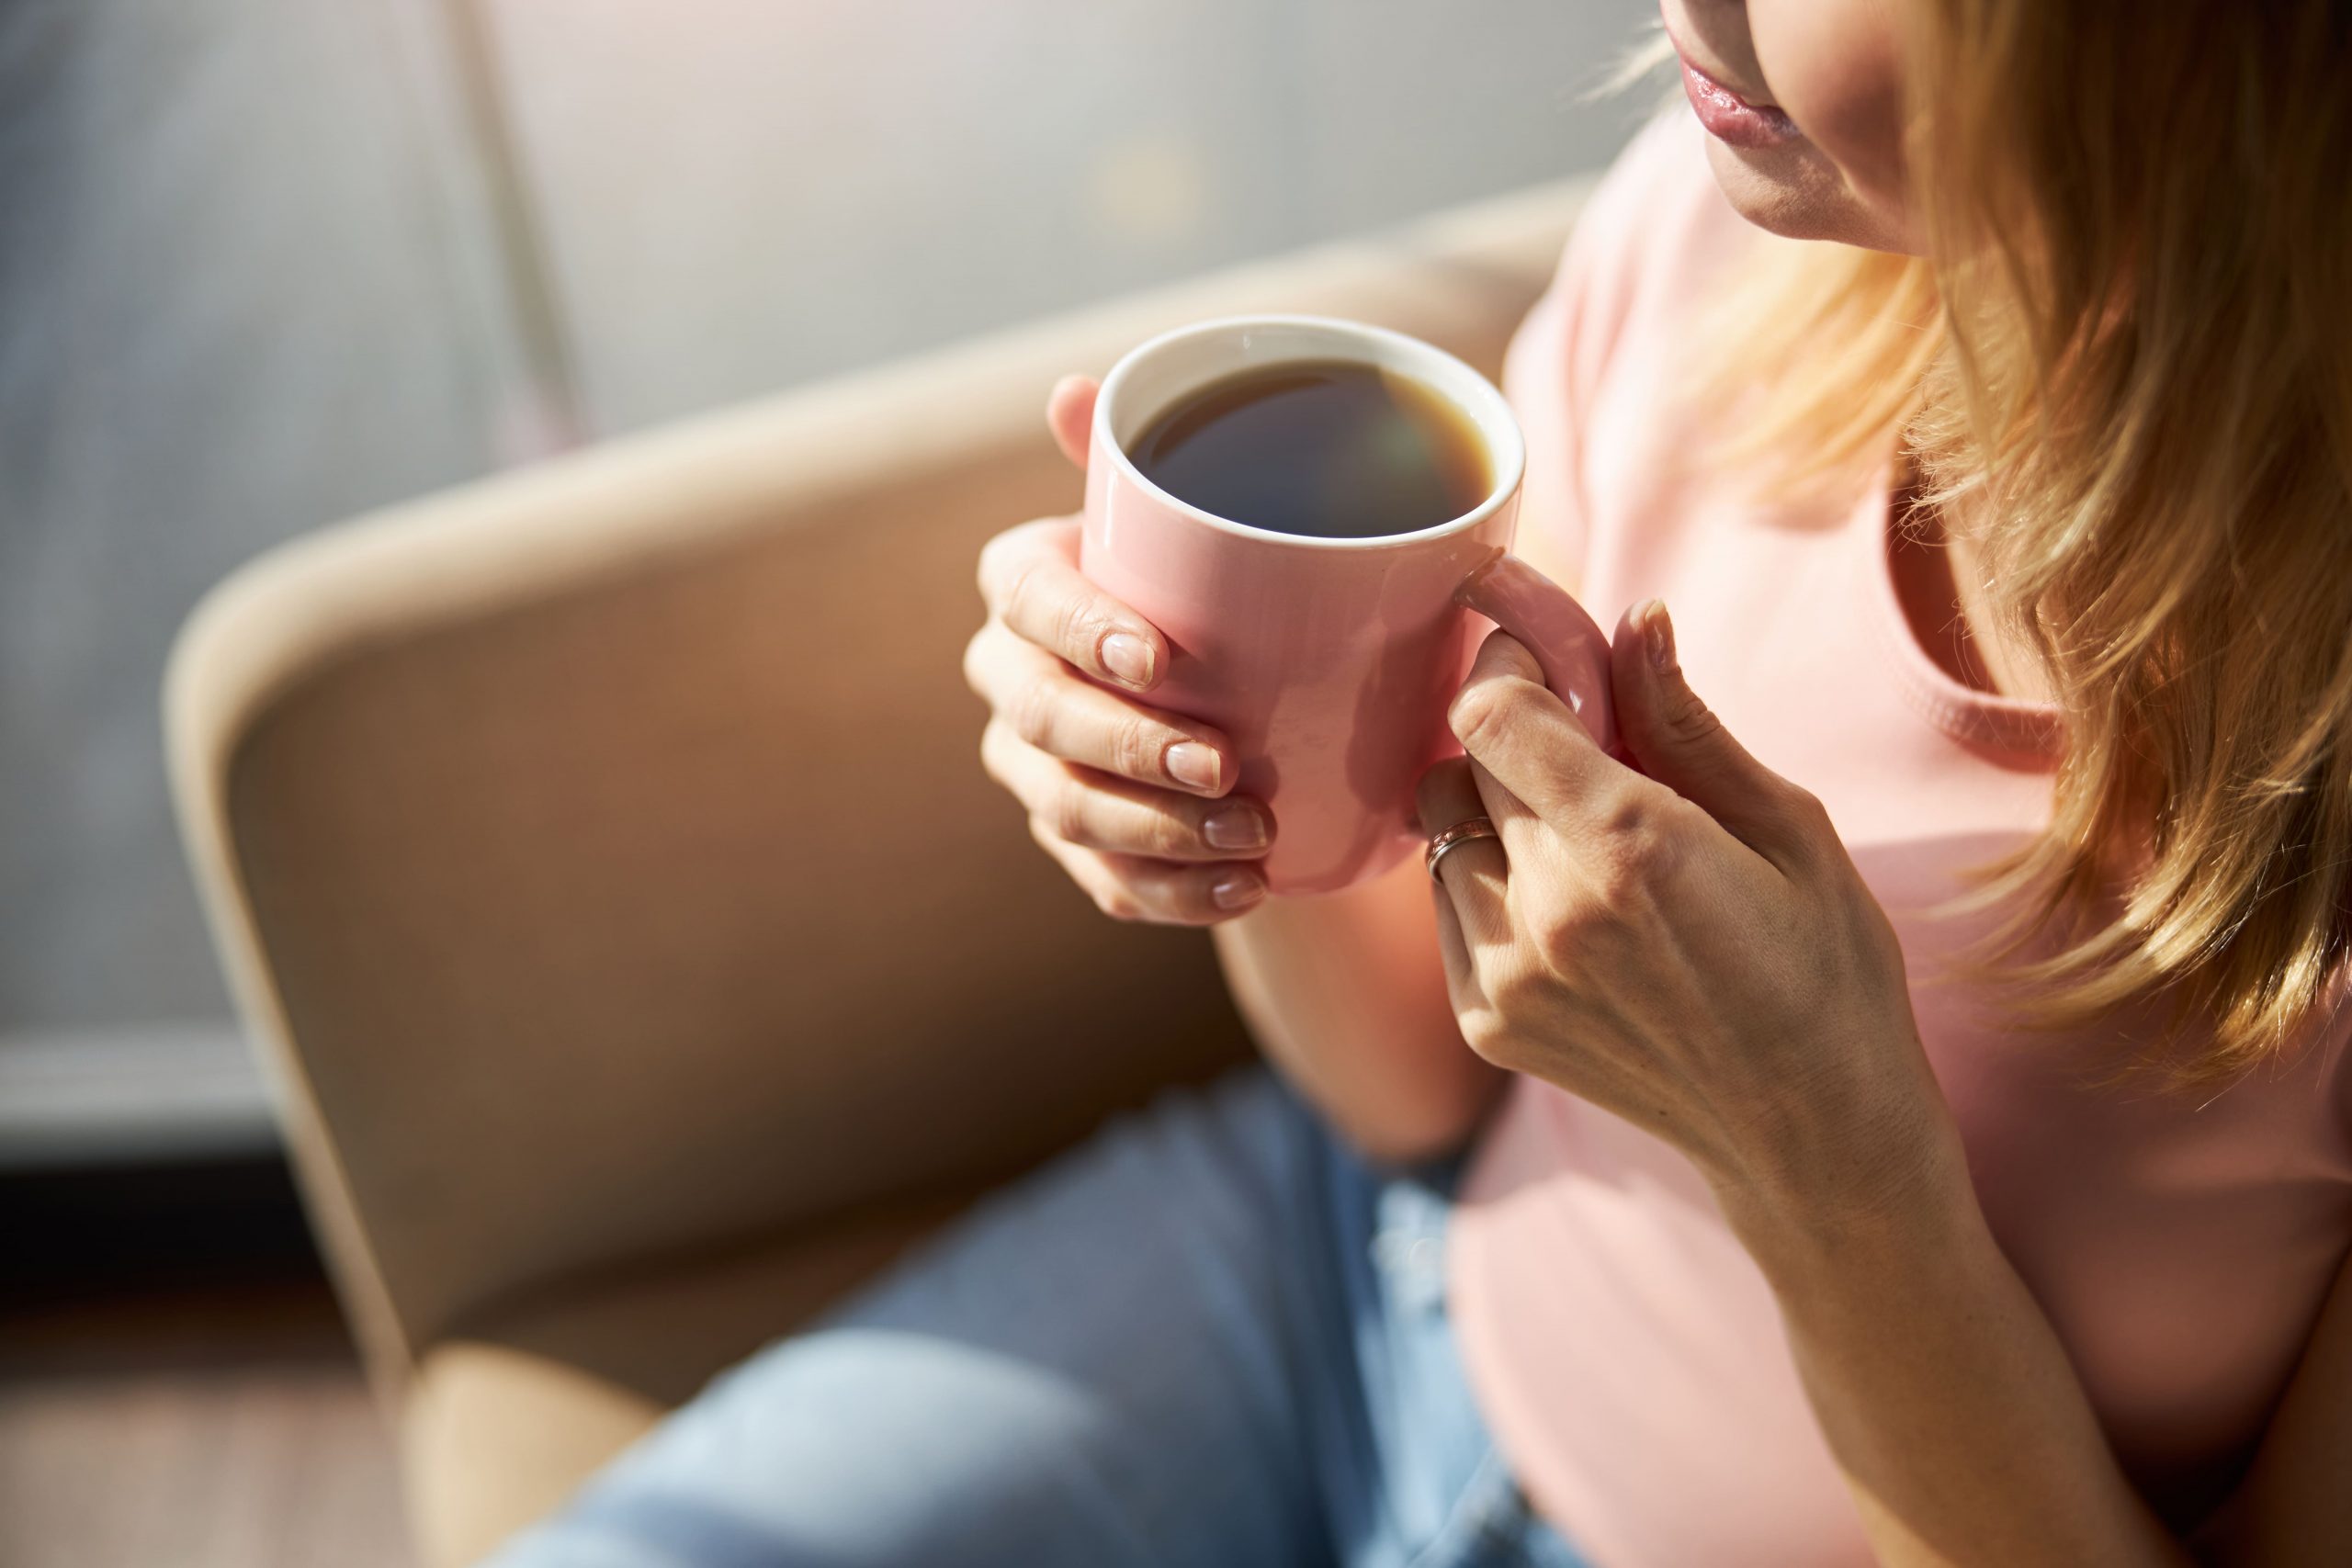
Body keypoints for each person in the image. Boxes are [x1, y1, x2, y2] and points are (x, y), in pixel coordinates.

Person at [491, 2, 2352, 1563]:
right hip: (1359, 1280)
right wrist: (1221, 790)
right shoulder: (1729, 238)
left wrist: (1823, 1157)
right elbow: (1400, 1089)